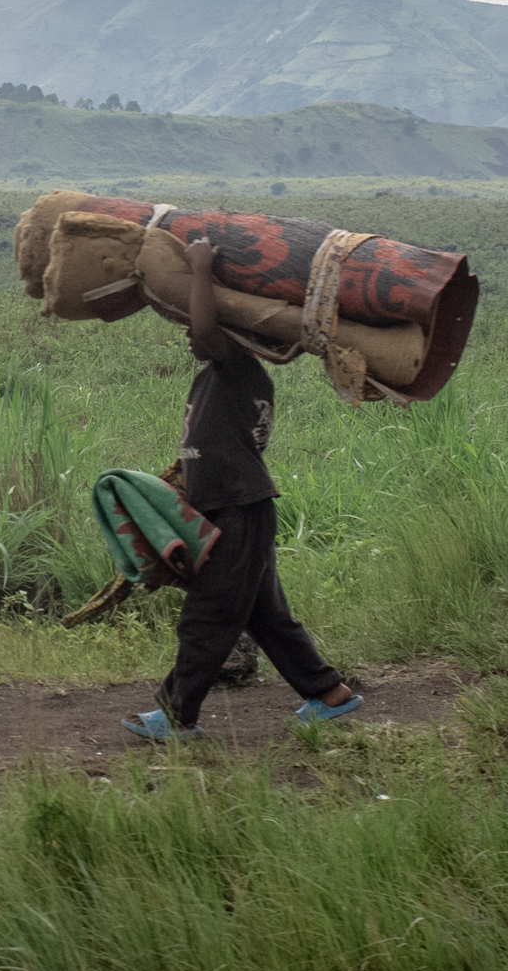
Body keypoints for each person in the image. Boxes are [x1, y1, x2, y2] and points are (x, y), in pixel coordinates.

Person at [121, 238, 364, 743]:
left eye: (199, 327)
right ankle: (330, 694)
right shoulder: (219, 376)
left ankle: (178, 715)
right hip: (235, 507)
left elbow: (207, 326)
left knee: (208, 616)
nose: (191, 335)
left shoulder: (236, 369)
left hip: (238, 509)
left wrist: (202, 267)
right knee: (265, 615)